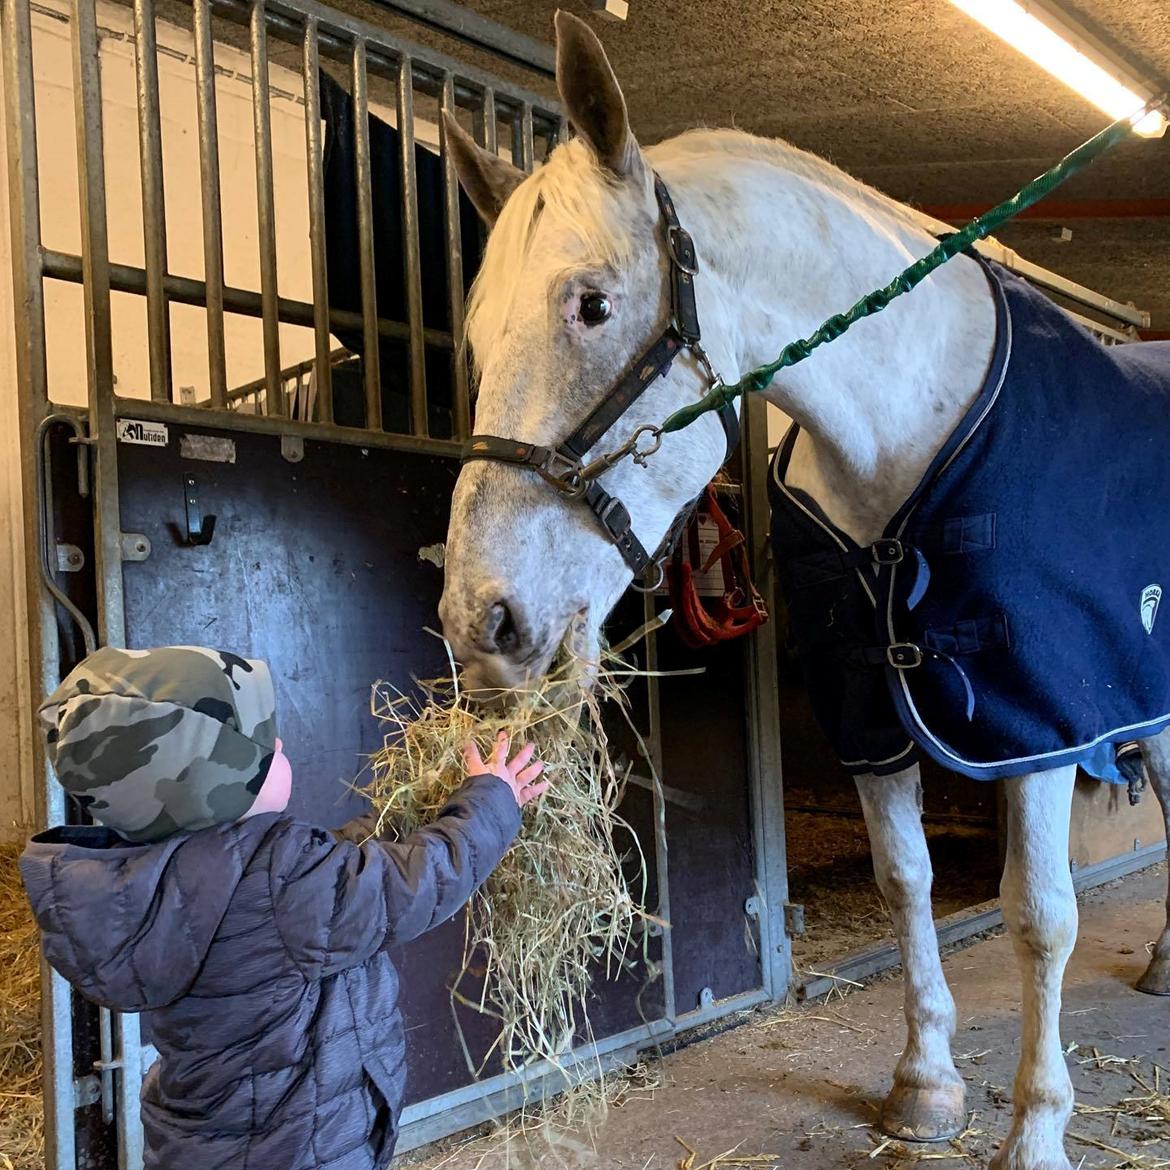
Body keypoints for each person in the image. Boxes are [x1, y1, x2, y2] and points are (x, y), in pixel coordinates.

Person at [20, 645, 547, 1170]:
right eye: (265, 747)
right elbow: (414, 885)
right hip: (305, 1145)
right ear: (220, 786)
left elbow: (329, 876)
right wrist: (490, 802)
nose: (280, 742)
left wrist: (397, 815)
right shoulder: (286, 883)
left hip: (206, 1144)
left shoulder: (158, 874)